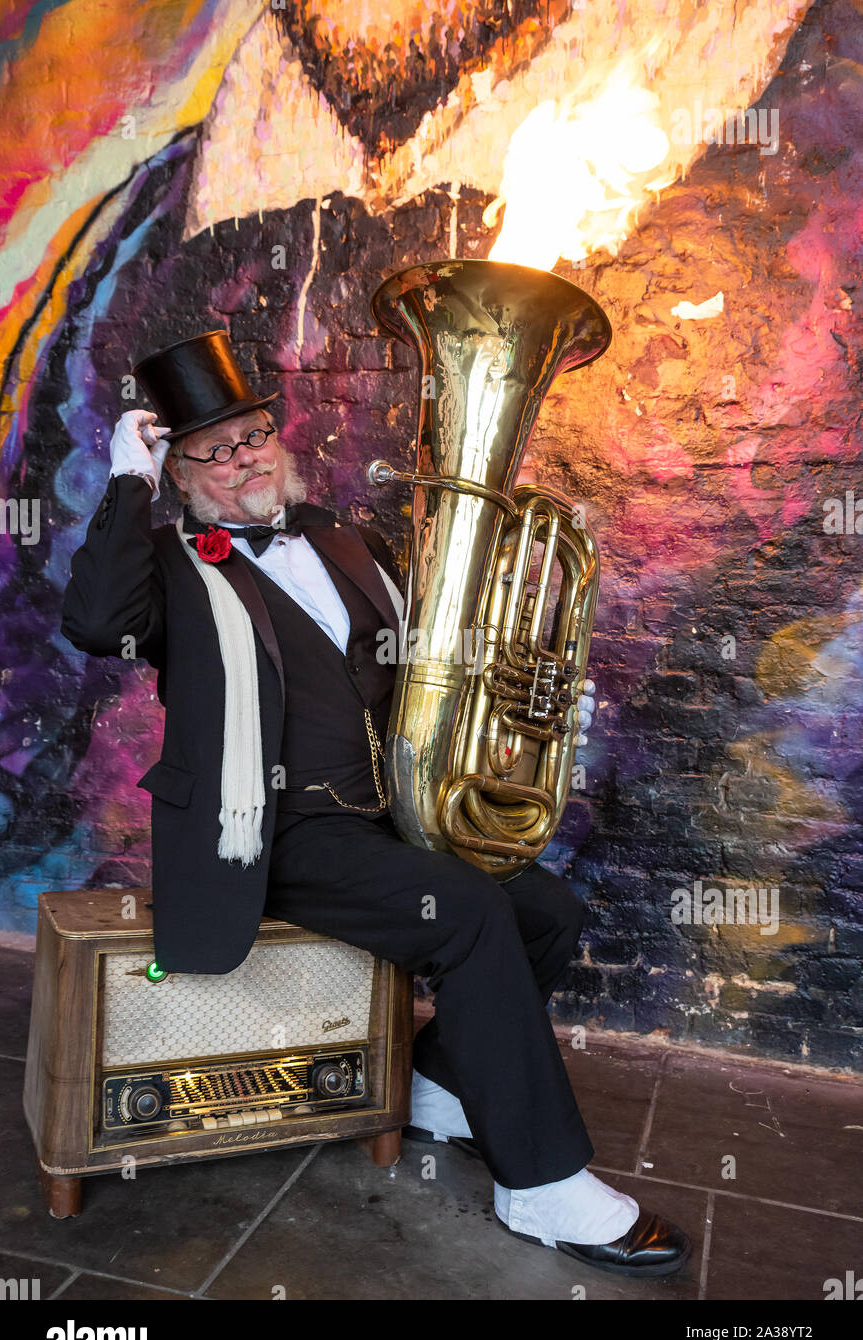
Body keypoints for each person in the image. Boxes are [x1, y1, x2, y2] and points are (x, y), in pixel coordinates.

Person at [61, 331, 691, 1278]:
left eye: (254, 433)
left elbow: (424, 677)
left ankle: (437, 1087)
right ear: (176, 469)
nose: (245, 457)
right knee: (472, 914)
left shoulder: (341, 536)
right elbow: (93, 623)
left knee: (549, 912)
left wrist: (521, 705)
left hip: (392, 812)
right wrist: (123, 485)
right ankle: (542, 1185)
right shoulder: (165, 566)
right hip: (274, 833)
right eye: (214, 449)